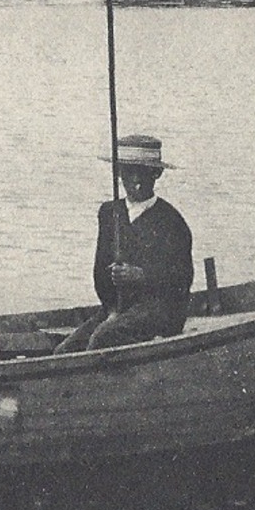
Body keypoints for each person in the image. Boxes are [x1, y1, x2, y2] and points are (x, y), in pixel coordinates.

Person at [54, 134, 193, 354]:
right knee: (64, 351)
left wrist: (142, 275)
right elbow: (100, 270)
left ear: (157, 174)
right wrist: (111, 309)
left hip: (161, 311)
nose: (134, 179)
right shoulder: (110, 213)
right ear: (119, 173)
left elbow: (181, 280)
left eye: (143, 172)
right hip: (118, 307)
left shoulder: (171, 221)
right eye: (127, 171)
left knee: (103, 339)